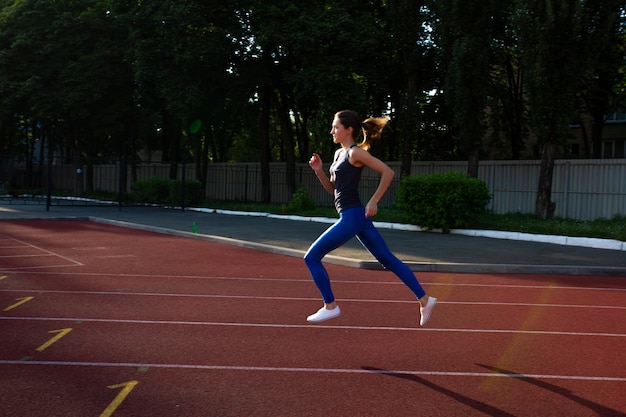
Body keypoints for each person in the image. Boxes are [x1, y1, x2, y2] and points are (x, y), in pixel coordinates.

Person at [304, 110, 437, 325]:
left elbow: (388, 172)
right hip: (356, 217)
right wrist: (318, 170)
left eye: (335, 127)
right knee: (388, 260)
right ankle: (425, 300)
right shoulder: (339, 154)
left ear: (348, 130)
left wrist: (374, 200)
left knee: (311, 257)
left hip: (353, 216)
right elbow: (333, 191)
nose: (332, 131)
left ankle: (330, 305)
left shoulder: (355, 153)